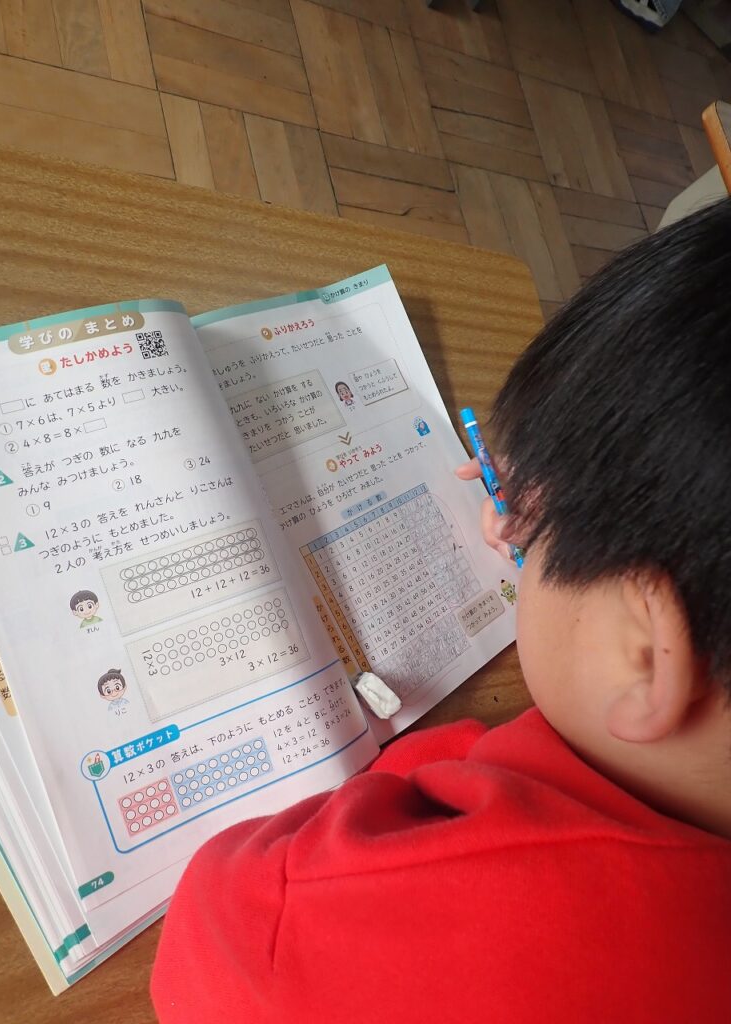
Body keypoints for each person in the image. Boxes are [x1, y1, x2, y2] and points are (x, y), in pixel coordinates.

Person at [151, 199, 731, 1023]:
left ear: (640, 653)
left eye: (537, 532)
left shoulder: (360, 924)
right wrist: (579, 550)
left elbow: (215, 926)